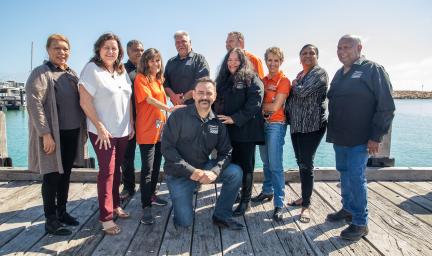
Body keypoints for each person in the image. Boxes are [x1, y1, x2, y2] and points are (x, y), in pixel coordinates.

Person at [326, 35, 395, 241]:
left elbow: (386, 106)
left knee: (356, 178)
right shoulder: (339, 74)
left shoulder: (372, 69)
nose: (342, 51)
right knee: (344, 174)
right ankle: (347, 208)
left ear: (359, 47)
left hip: (361, 139)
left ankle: (360, 222)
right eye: (339, 47)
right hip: (340, 137)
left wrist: (376, 136)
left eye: (346, 47)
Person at [161, 77, 244, 230]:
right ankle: (180, 205)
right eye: (200, 93)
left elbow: (226, 152)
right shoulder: (178, 116)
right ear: (193, 94)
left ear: (214, 96)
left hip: (204, 167)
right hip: (179, 174)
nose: (204, 97)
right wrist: (191, 171)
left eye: (208, 93)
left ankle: (222, 215)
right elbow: (167, 148)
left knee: (235, 172)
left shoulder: (218, 123)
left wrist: (214, 171)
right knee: (184, 222)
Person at [26, 34, 87, 236]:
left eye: (65, 49)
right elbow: (34, 104)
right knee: (51, 177)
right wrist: (45, 134)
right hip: (54, 136)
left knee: (66, 175)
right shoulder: (41, 73)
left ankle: (62, 212)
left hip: (72, 134)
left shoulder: (71, 73)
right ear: (48, 50)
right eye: (57, 48)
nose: (62, 52)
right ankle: (50, 220)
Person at [79, 33, 134, 235]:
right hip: (101, 131)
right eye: (106, 48)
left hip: (123, 130)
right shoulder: (92, 69)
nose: (111, 51)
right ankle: (106, 217)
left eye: (114, 48)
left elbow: (127, 98)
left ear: (119, 51)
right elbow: (84, 102)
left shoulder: (121, 71)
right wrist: (100, 127)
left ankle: (116, 205)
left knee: (117, 169)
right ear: (99, 50)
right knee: (107, 172)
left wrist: (131, 123)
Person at [134, 48, 185, 224]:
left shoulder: (158, 80)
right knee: (147, 170)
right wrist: (168, 109)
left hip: (159, 131)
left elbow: (162, 100)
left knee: (156, 167)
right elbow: (148, 100)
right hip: (147, 130)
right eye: (152, 61)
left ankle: (153, 196)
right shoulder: (141, 79)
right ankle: (146, 207)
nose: (155, 64)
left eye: (158, 60)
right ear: (146, 62)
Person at [214, 48, 265, 216]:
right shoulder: (223, 80)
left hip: (245, 132)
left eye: (236, 60)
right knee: (231, 165)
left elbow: (254, 103)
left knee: (246, 166)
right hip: (227, 132)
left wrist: (234, 119)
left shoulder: (251, 78)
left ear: (243, 61)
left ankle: (246, 200)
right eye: (229, 60)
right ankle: (233, 195)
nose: (232, 63)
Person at [286, 44, 328, 224]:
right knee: (301, 162)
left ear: (317, 56)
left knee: (307, 164)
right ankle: (304, 197)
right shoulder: (300, 74)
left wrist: (293, 83)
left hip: (312, 126)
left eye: (312, 53)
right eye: (304, 53)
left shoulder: (319, 73)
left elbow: (301, 92)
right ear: (299, 57)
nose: (308, 56)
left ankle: (306, 205)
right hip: (297, 126)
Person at [251, 47, 290, 221]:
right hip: (262, 125)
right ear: (265, 61)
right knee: (266, 162)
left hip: (276, 124)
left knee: (275, 164)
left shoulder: (284, 80)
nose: (272, 63)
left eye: (276, 60)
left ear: (281, 62)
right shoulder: (263, 80)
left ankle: (279, 203)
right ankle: (267, 191)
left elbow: (275, 107)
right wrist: (264, 105)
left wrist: (260, 107)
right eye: (270, 60)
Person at [120, 40, 144, 200]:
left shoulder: (146, 69)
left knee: (148, 156)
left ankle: (148, 186)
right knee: (127, 156)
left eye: (141, 50)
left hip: (145, 120)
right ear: (128, 52)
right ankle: (128, 187)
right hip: (127, 120)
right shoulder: (121, 69)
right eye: (136, 50)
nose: (139, 53)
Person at [164, 30, 210, 105]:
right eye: (177, 42)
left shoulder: (199, 59)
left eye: (183, 41)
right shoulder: (170, 62)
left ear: (190, 42)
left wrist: (183, 98)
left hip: (196, 109)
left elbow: (202, 83)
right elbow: (165, 83)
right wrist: (173, 96)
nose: (180, 44)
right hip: (176, 109)